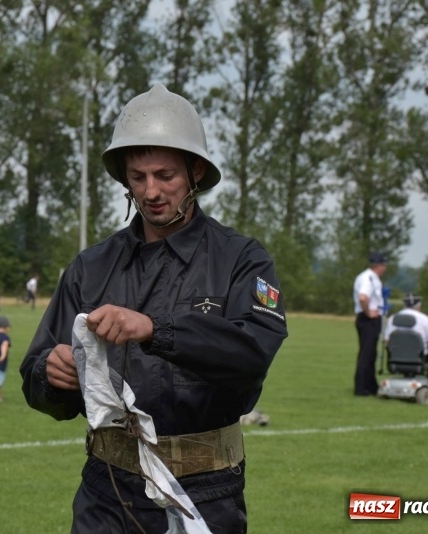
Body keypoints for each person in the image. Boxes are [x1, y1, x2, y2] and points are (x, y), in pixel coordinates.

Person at [20, 84, 288, 533]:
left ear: (196, 170)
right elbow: (35, 374)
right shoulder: (91, 266)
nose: (151, 191)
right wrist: (51, 377)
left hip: (206, 496)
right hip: (106, 492)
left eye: (165, 175)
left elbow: (251, 353)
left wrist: (154, 328)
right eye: (138, 176)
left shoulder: (242, 259)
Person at [384, 293, 428, 391]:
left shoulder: (392, 318)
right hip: (419, 359)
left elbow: (387, 340)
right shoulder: (424, 319)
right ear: (419, 306)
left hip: (396, 358)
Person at [352, 252, 387, 396]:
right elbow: (363, 297)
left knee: (371, 353)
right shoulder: (369, 278)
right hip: (368, 319)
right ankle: (361, 388)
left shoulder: (370, 277)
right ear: (379, 266)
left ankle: (371, 385)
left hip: (369, 318)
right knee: (367, 354)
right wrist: (368, 312)